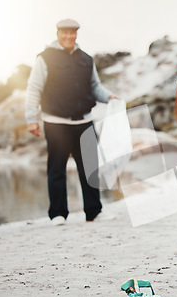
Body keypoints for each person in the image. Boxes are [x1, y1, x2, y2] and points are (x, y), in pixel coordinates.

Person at [25, 19, 118, 226]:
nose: (69, 37)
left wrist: (110, 97)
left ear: (77, 34)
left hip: (84, 121)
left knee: (90, 168)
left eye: (72, 33)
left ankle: (94, 211)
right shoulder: (45, 58)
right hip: (56, 122)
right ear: (58, 34)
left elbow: (95, 88)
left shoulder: (86, 59)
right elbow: (33, 89)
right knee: (57, 168)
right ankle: (58, 214)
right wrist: (32, 119)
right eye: (64, 33)